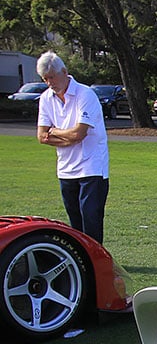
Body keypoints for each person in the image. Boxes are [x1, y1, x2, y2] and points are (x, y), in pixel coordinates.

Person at [35, 51, 110, 244]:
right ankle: (79, 260)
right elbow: (42, 136)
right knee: (74, 221)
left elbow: (79, 134)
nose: (50, 82)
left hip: (91, 166)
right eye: (45, 79)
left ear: (64, 72)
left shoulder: (85, 95)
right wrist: (66, 136)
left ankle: (96, 262)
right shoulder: (46, 98)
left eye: (52, 77)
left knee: (91, 218)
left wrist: (55, 131)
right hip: (66, 168)